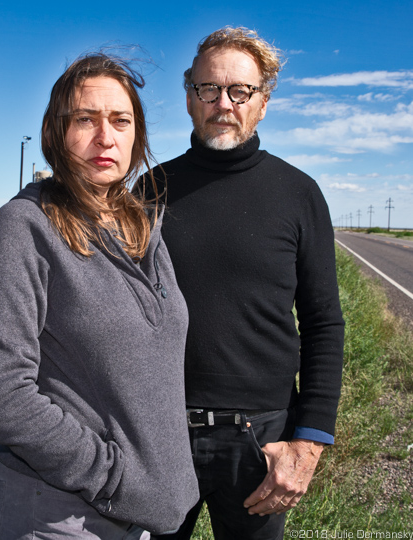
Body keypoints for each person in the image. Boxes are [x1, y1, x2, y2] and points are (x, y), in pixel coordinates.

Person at [0, 53, 199, 539]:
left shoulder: (141, 223)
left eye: (120, 120)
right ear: (56, 133)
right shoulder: (26, 225)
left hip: (137, 518)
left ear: (137, 134)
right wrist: (116, 477)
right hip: (59, 515)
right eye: (85, 120)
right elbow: (3, 397)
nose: (105, 136)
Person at [136, 27, 345, 540]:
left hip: (260, 441)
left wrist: (308, 444)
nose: (223, 103)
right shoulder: (149, 191)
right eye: (209, 89)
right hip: (157, 433)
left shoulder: (299, 194)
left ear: (263, 103)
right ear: (189, 97)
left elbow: (324, 323)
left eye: (240, 91)